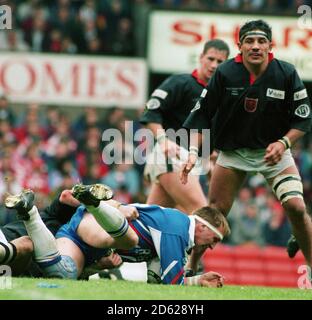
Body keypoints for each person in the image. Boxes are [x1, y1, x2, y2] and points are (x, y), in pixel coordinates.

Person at [181, 19, 312, 267]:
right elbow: (202, 115)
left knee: (295, 206)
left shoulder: (286, 73)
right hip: (233, 154)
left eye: (261, 41)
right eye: (249, 41)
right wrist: (192, 152)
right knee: (213, 214)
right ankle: (190, 267)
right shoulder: (226, 73)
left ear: (270, 46)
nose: (255, 46)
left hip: (274, 153)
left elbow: (303, 119)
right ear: (239, 45)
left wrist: (284, 143)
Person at [4, 184, 230, 287]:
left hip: (78, 238)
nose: (211, 247)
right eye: (215, 240)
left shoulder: (176, 229)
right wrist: (116, 205)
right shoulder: (178, 229)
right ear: (203, 226)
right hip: (95, 224)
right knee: (127, 238)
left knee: (63, 273)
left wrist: (197, 278)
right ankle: (96, 205)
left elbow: (158, 279)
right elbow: (173, 284)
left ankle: (30, 212)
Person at [140, 39, 230, 213]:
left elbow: (205, 133)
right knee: (203, 217)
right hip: (172, 156)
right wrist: (163, 140)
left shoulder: (220, 96)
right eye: (210, 59)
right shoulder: (180, 82)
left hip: (191, 162)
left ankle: (116, 235)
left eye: (220, 62)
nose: (214, 65)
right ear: (201, 57)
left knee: (152, 220)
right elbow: (151, 110)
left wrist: (210, 157)